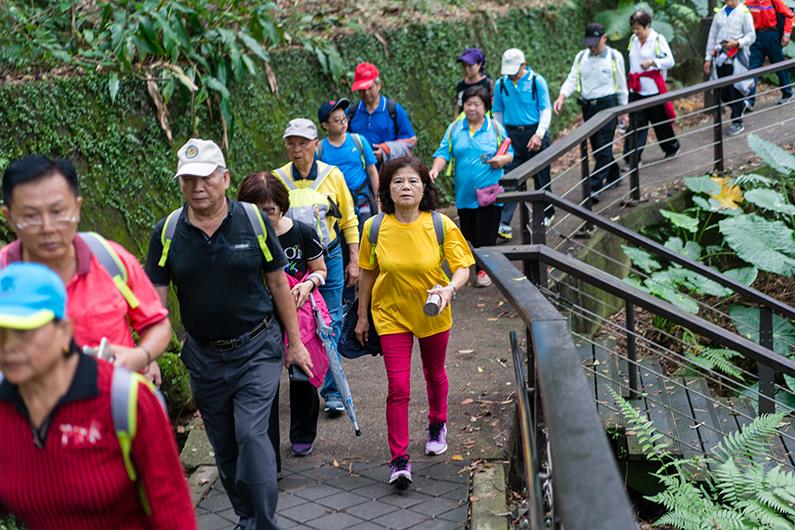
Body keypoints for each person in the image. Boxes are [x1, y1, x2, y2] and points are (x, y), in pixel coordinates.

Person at [145, 138, 313, 530]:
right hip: (203, 356)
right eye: (188, 179)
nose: (198, 187)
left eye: (205, 177)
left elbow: (278, 285)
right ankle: (246, 516)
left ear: (224, 178)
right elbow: (154, 303)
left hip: (256, 347)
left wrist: (296, 344)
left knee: (252, 436)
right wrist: (149, 354)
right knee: (224, 448)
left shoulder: (252, 221)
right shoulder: (167, 232)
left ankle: (263, 523)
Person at [0, 262, 195, 529]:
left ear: (63, 331)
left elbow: (173, 512)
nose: (9, 347)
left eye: (24, 332)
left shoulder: (125, 399)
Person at [356, 157, 475, 489]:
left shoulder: (439, 225)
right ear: (387, 190)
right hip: (390, 314)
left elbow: (463, 265)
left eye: (412, 182)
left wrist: (450, 288)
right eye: (397, 182)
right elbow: (367, 271)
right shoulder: (374, 227)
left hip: (432, 310)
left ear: (424, 188)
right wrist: (363, 316)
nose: (405, 187)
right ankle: (399, 459)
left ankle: (437, 423)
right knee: (398, 386)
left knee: (434, 373)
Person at [0, 155, 171, 384]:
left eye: (58, 212)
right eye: (31, 216)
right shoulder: (4, 274)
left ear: (77, 207)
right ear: (9, 218)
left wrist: (140, 356)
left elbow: (157, 324)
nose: (48, 227)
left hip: (113, 407)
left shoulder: (110, 260)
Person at [237, 171, 328, 463]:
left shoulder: (301, 231)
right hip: (259, 319)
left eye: (270, 210)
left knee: (302, 373)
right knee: (264, 384)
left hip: (298, 313)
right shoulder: (241, 238)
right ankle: (268, 453)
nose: (264, 218)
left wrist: (307, 284)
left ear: (281, 206)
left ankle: (302, 434)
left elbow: (320, 270)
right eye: (256, 211)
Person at [272, 119, 359, 416]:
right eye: (291, 143)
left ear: (315, 144)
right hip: (289, 261)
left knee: (330, 321)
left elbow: (348, 219)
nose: (297, 149)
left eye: (303, 143)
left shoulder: (332, 176)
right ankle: (304, 378)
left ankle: (332, 390)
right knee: (293, 324)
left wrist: (355, 259)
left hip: (329, 257)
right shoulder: (278, 178)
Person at [429, 86, 514, 288]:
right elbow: (443, 153)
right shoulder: (454, 129)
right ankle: (480, 263)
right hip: (464, 193)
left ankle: (483, 270)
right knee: (469, 233)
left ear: (485, 106)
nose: (472, 108)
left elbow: (510, 153)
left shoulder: (494, 128)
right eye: (468, 104)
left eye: (477, 104)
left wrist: (501, 160)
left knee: (486, 234)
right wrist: (435, 170)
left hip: (490, 192)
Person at [554, 23, 629, 203]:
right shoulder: (581, 57)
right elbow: (572, 78)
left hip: (608, 105)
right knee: (597, 147)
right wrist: (562, 96)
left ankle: (594, 187)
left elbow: (621, 83)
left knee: (603, 146)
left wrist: (623, 110)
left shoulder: (613, 56)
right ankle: (614, 175)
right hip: (588, 107)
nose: (592, 46)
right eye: (589, 42)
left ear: (604, 38)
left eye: (596, 42)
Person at [316, 99, 379, 309]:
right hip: (335, 206)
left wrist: (378, 198)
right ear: (325, 125)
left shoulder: (358, 141)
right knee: (342, 246)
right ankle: (348, 296)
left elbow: (371, 170)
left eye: (344, 118)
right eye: (336, 120)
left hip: (361, 199)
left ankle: (373, 288)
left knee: (368, 242)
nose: (342, 123)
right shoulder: (320, 149)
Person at [493, 48, 554, 240]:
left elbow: (545, 109)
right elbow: (498, 112)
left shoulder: (537, 81)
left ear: (523, 65)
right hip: (511, 135)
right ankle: (504, 222)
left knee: (541, 175)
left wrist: (539, 134)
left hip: (534, 131)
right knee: (511, 177)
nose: (511, 73)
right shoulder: (501, 84)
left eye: (515, 68)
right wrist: (501, 137)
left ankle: (547, 212)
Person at [624, 9, 681, 164]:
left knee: (660, 122)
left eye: (639, 28)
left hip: (653, 88)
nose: (636, 32)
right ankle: (632, 158)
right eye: (633, 28)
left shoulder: (658, 40)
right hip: (636, 88)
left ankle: (671, 147)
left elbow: (670, 61)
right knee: (636, 124)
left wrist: (653, 62)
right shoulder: (633, 40)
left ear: (647, 25)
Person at [348, 62, 417, 164]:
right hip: (359, 175)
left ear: (378, 85)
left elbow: (411, 140)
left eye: (370, 88)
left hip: (388, 173)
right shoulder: (352, 113)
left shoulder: (393, 110)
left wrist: (387, 150)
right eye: (362, 90)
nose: (366, 93)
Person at [705, 1, 757, 137]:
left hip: (736, 57)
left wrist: (738, 43)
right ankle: (741, 105)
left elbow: (751, 35)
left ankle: (737, 121)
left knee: (735, 90)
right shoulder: (720, 13)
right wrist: (708, 58)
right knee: (723, 91)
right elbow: (712, 36)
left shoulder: (744, 13)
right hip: (720, 58)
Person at [746, 0, 793, 108]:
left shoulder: (774, 1)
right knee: (753, 68)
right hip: (756, 37)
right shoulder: (749, 3)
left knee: (778, 65)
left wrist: (786, 34)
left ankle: (787, 92)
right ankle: (749, 101)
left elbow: (789, 15)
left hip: (772, 35)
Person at [454, 47, 494, 116]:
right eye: (464, 66)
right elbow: (458, 107)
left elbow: (494, 109)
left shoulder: (488, 84)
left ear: (479, 65)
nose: (466, 69)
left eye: (470, 66)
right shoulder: (460, 85)